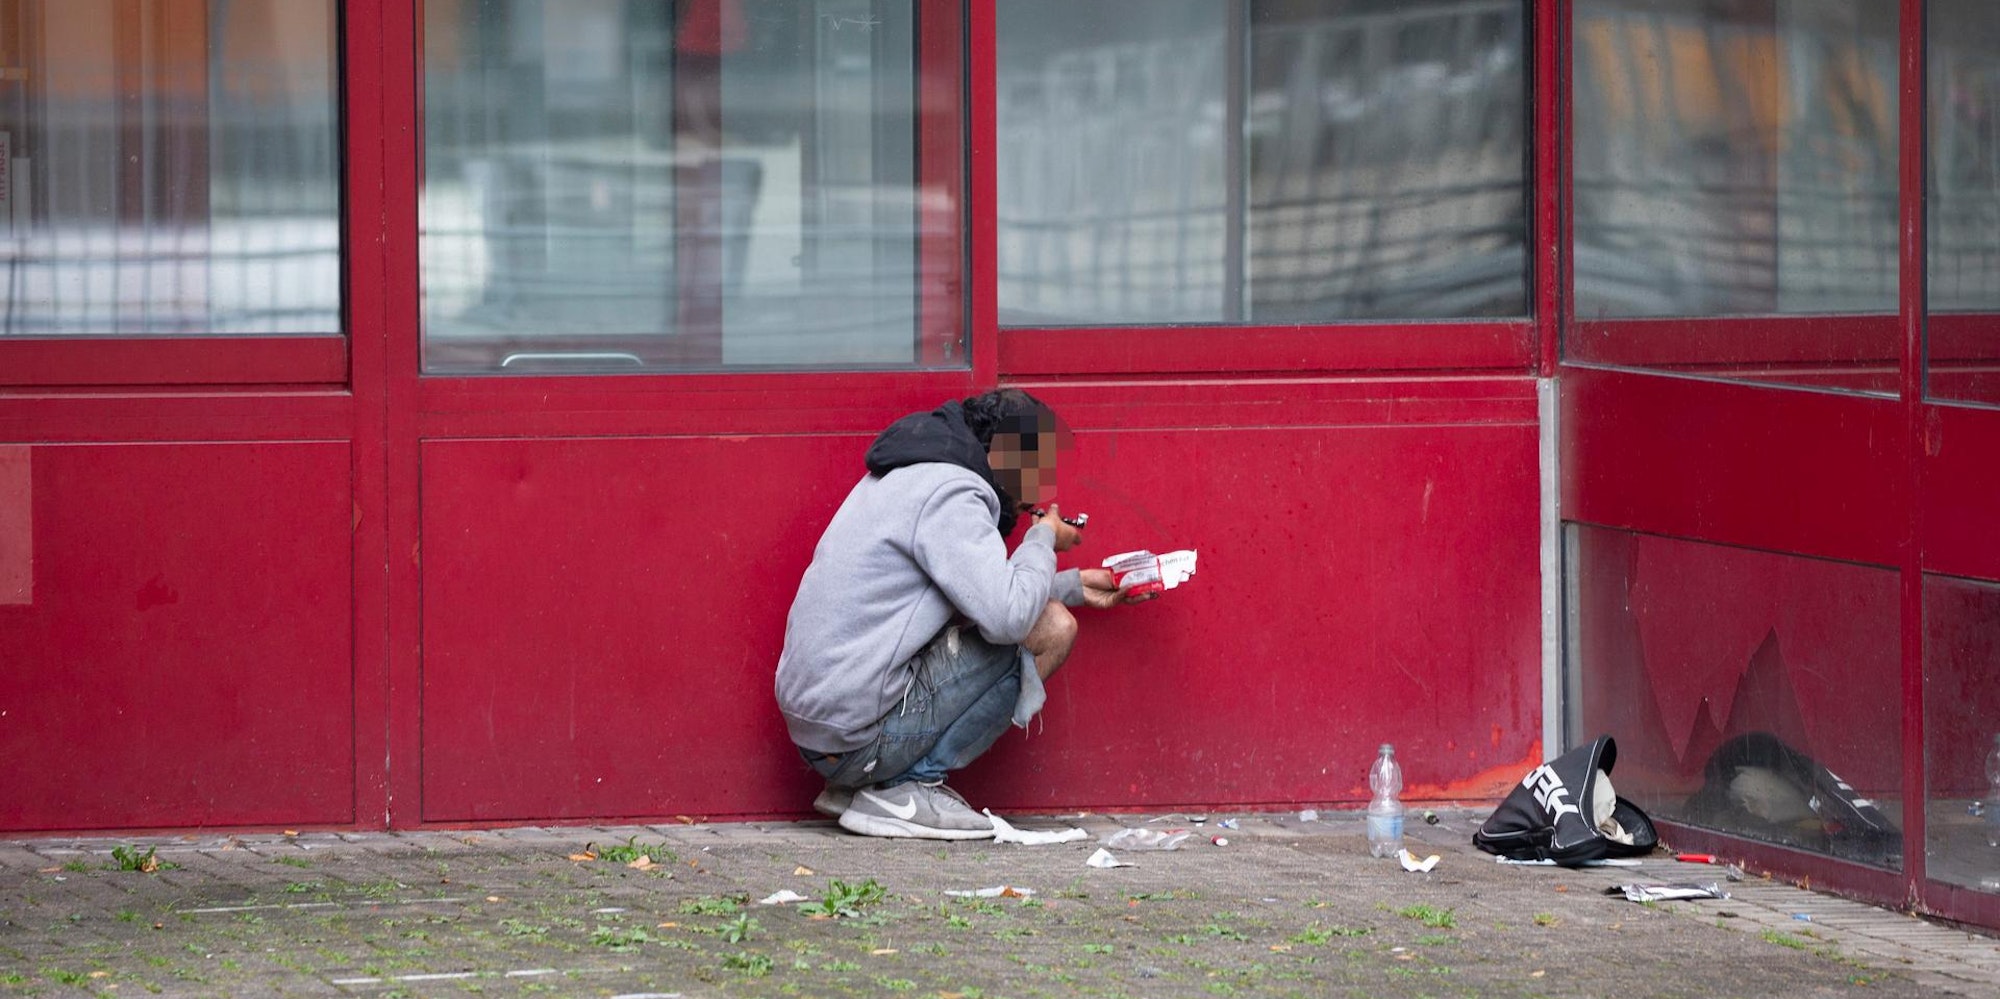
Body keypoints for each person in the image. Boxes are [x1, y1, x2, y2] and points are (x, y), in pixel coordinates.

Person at [774, 389, 1151, 840]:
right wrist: (1042, 539)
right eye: (1035, 468)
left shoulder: (913, 474)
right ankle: (901, 788)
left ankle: (859, 786)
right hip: (859, 736)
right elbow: (1008, 618)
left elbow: (970, 590)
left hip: (828, 736)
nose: (1040, 489)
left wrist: (1075, 586)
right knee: (1052, 628)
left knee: (1044, 612)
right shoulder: (954, 493)